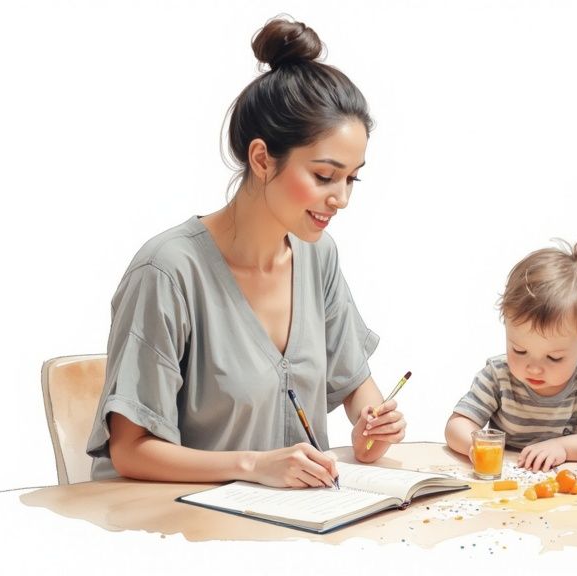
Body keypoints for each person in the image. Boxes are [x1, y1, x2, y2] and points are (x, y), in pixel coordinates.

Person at [86, 17, 406, 488]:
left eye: (351, 178)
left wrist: (373, 425)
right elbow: (130, 451)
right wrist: (255, 466)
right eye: (323, 175)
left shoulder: (318, 257)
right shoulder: (168, 272)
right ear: (261, 159)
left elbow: (356, 384)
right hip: (180, 535)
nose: (341, 198)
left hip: (291, 525)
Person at [445, 238, 577, 472]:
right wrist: (475, 447)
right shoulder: (498, 375)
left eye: (554, 357)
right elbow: (457, 425)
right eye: (519, 350)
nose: (534, 368)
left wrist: (562, 448)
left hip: (569, 490)